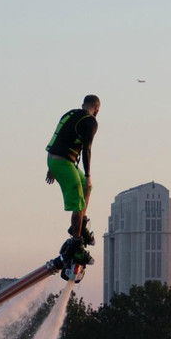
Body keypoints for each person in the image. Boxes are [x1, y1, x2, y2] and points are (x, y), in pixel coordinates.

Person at [45, 94, 100, 262]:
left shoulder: (69, 114)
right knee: (78, 200)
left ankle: (79, 224)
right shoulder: (91, 122)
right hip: (63, 163)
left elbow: (57, 137)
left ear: (83, 104)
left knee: (87, 187)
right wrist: (89, 174)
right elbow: (87, 149)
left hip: (55, 158)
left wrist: (50, 166)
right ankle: (76, 243)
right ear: (97, 109)